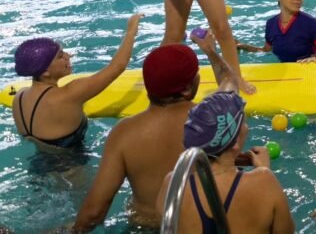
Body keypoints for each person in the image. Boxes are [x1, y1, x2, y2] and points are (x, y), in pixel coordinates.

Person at [74, 43, 201, 231]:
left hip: (145, 226)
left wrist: (74, 230)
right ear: (187, 88)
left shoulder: (125, 132)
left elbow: (95, 211)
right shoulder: (211, 122)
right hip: (198, 226)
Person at [155, 91, 295, 234]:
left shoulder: (172, 184)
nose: (246, 127)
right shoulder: (264, 182)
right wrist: (264, 170)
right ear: (234, 142)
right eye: (243, 123)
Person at [11, 13, 142, 150]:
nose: (69, 56)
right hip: (71, 168)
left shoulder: (19, 97)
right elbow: (117, 67)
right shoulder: (70, 94)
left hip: (38, 165)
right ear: (45, 72)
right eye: (61, 56)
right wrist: (131, 31)